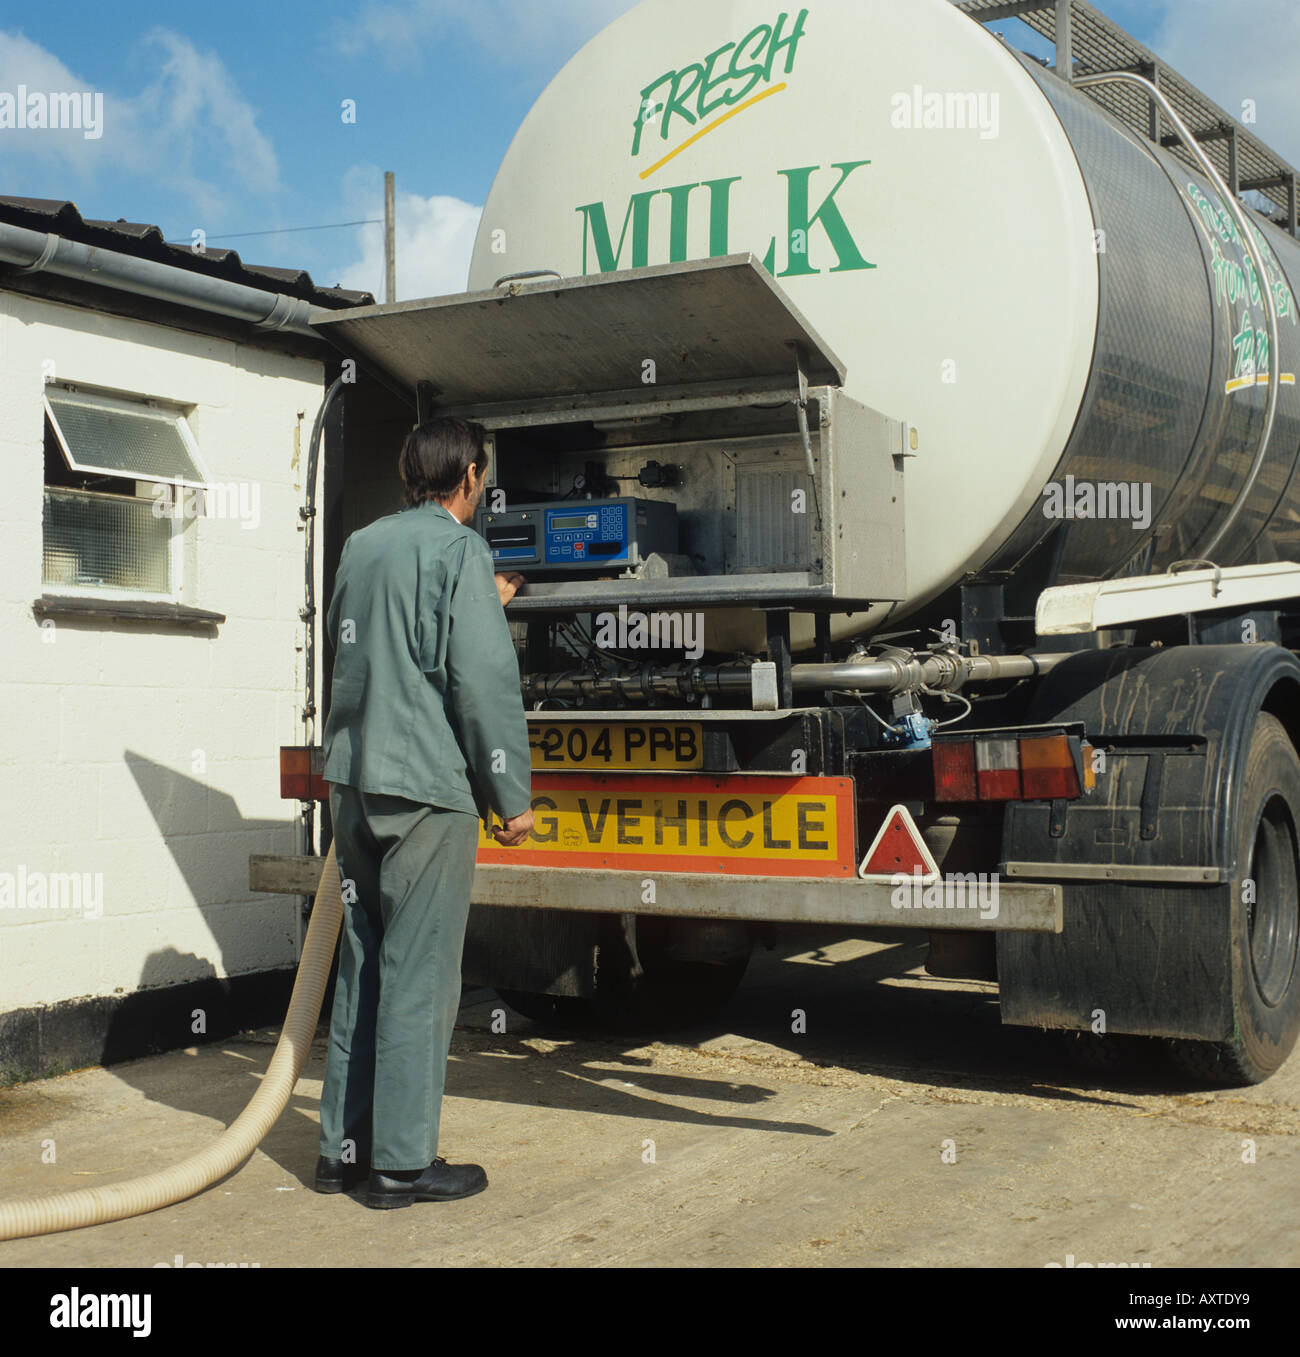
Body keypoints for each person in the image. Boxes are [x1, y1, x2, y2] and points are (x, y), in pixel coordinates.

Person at [314, 417, 534, 1209]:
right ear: (470, 475)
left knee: (364, 966)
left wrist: (476, 599)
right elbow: (481, 683)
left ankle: (343, 1152)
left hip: (354, 782)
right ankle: (403, 1166)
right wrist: (511, 798)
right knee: (420, 976)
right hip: (425, 793)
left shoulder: (364, 543)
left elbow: (367, 646)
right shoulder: (461, 551)